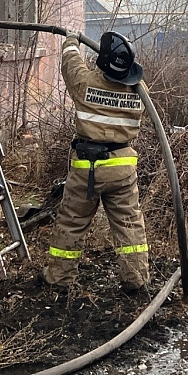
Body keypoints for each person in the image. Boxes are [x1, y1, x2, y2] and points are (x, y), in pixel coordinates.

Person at [44, 32, 151, 292]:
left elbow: (70, 64)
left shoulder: (85, 83)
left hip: (87, 169)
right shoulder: (140, 91)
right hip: (122, 170)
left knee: (72, 222)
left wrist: (72, 40)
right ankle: (136, 279)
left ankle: (58, 279)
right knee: (129, 226)